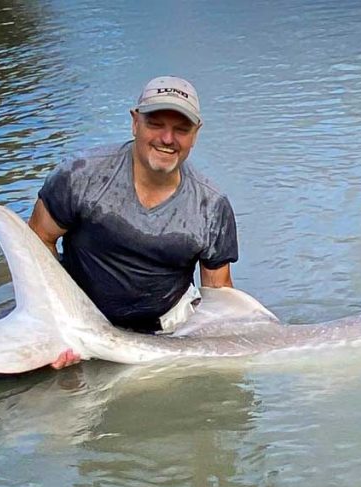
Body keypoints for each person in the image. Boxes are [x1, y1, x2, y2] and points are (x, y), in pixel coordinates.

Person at [28, 75, 239, 368]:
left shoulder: (212, 206)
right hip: (80, 316)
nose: (167, 139)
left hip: (167, 330)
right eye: (155, 124)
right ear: (135, 121)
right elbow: (38, 238)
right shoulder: (80, 176)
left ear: (196, 133)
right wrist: (56, 318)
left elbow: (220, 299)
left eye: (181, 129)